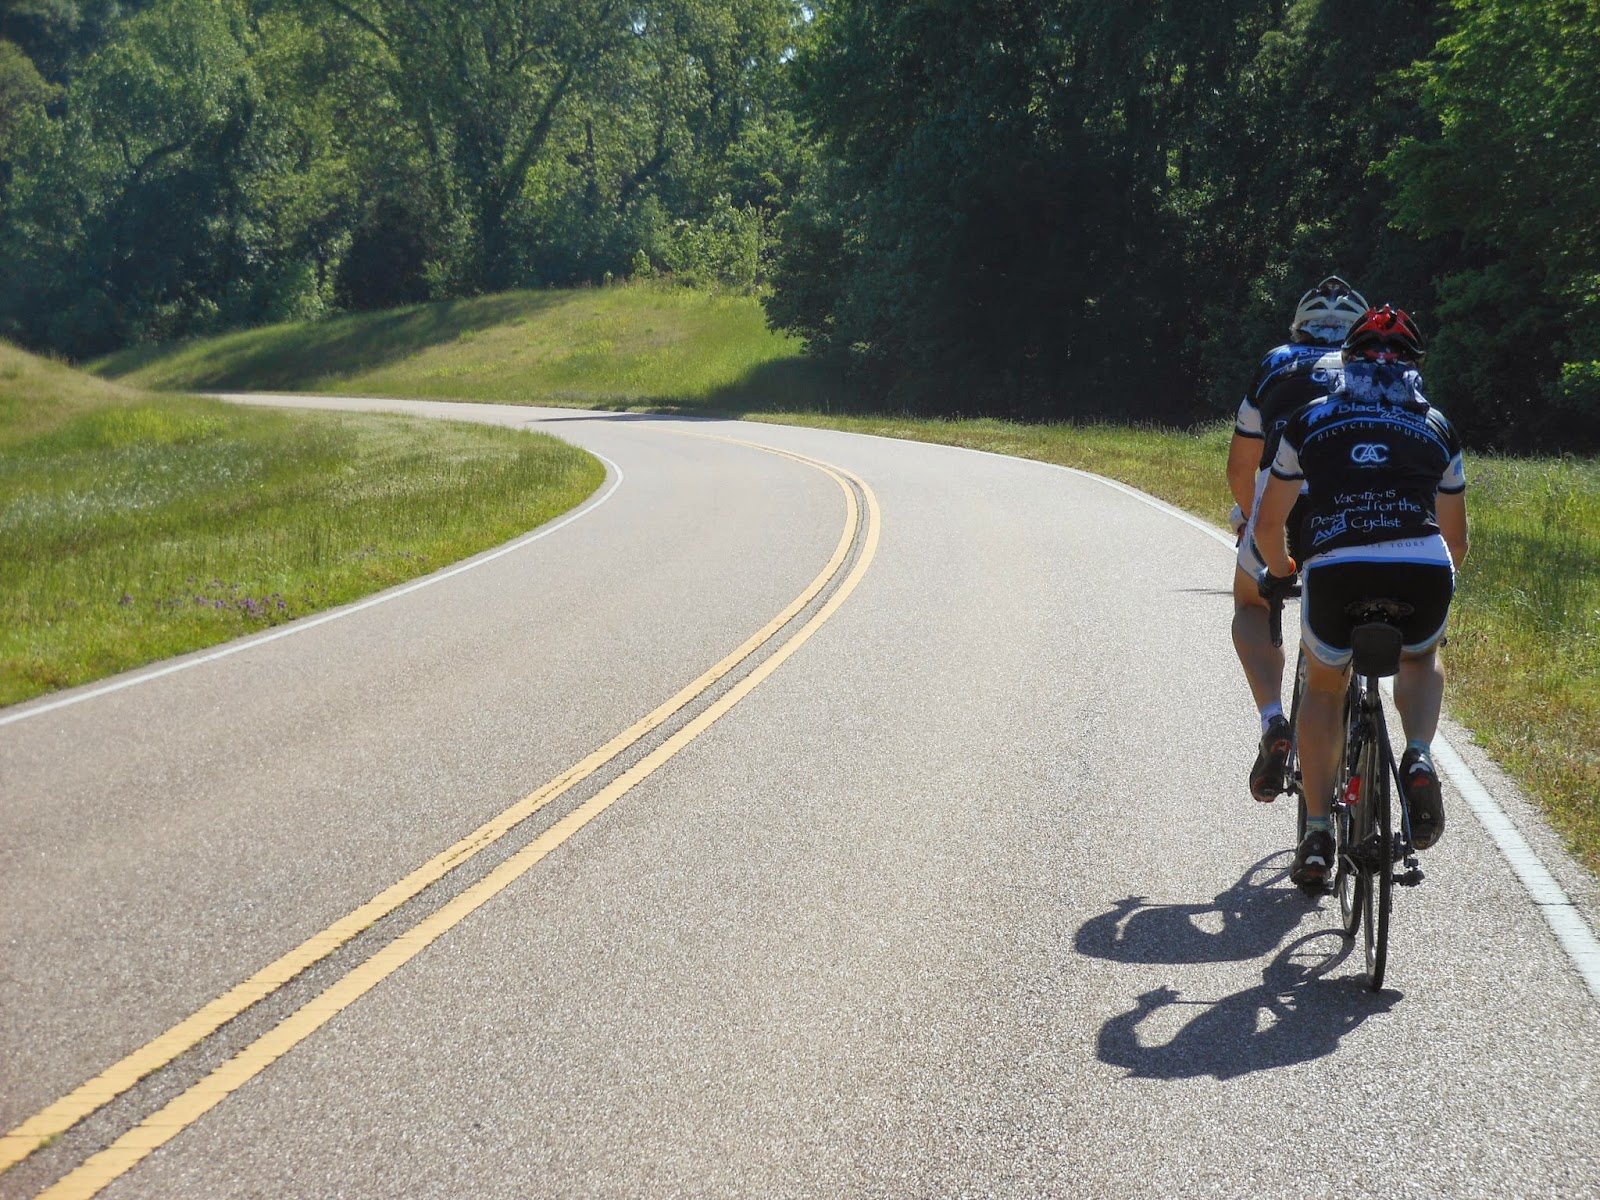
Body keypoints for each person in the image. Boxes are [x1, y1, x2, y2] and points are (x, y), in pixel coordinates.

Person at [1252, 305, 1470, 888]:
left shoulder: (1310, 419)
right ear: (1415, 367)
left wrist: (1280, 571)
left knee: (1326, 685)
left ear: (1346, 362)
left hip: (1336, 565)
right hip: (1420, 567)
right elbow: (1457, 539)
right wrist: (1441, 584)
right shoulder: (1438, 426)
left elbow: (1269, 524)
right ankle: (1418, 753)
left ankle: (1319, 831)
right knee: (1421, 656)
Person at [1227, 277, 1368, 803]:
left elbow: (1241, 465)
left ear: (1299, 327)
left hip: (1286, 510)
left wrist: (1248, 519)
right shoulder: (1385, 372)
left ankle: (1272, 721)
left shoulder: (1277, 362)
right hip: (1364, 513)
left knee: (1251, 601)